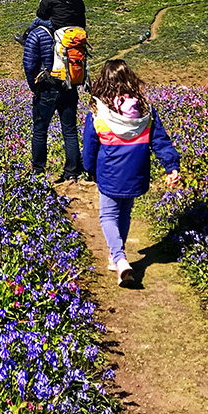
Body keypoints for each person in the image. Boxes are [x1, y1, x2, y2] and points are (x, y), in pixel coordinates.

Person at [82, 60, 181, 286]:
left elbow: (89, 147)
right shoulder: (146, 111)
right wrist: (171, 166)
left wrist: (90, 169)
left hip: (109, 172)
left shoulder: (98, 111)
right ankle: (114, 256)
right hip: (136, 172)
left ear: (104, 83)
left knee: (108, 216)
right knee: (124, 214)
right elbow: (160, 141)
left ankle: (119, 260)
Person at [23, 17, 85, 183]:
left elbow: (29, 65)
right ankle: (72, 172)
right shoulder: (70, 34)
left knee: (40, 131)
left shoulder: (37, 34)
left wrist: (34, 87)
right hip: (69, 87)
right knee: (70, 131)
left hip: (46, 89)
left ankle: (38, 172)